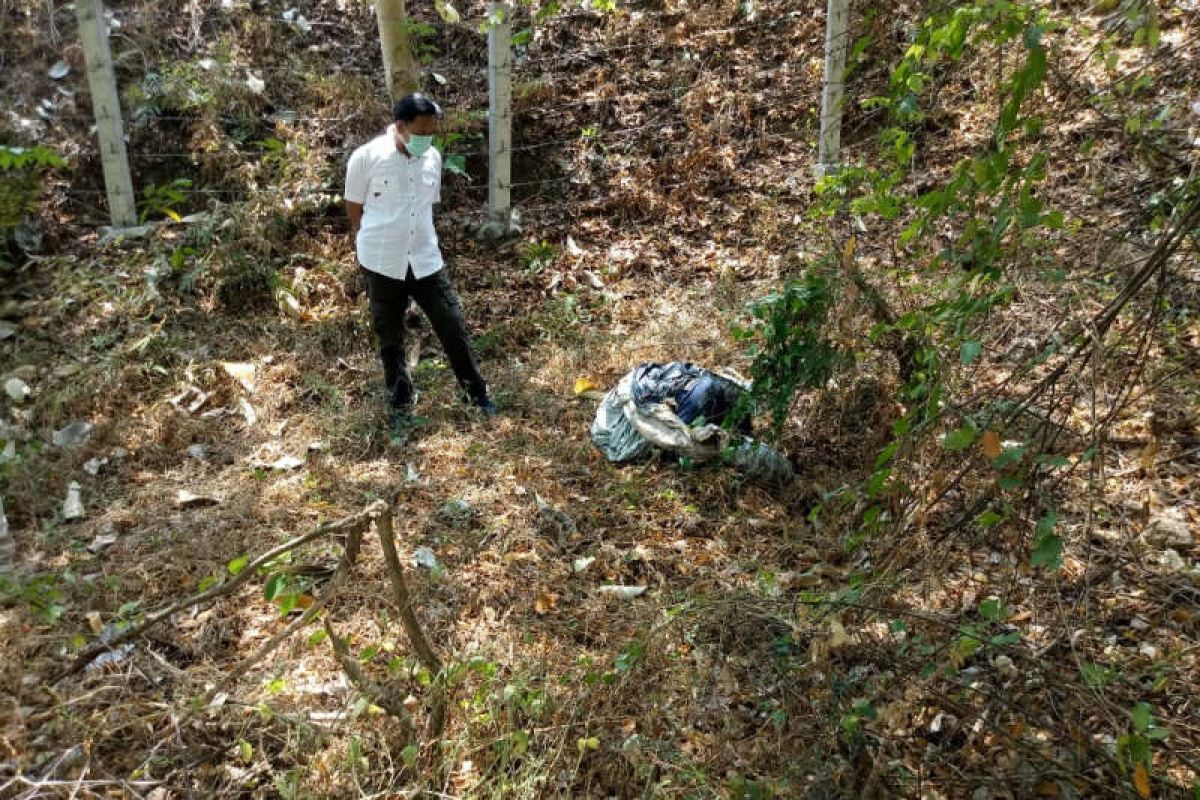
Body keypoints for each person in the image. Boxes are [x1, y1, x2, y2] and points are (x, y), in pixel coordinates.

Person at [344, 94, 495, 435]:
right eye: (422, 131)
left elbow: (427, 207)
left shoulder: (433, 158)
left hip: (426, 260)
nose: (428, 138)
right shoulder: (366, 158)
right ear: (400, 127)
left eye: (432, 131)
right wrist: (373, 238)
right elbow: (354, 209)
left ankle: (477, 396)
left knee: (452, 324)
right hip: (382, 261)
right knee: (391, 336)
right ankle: (400, 408)